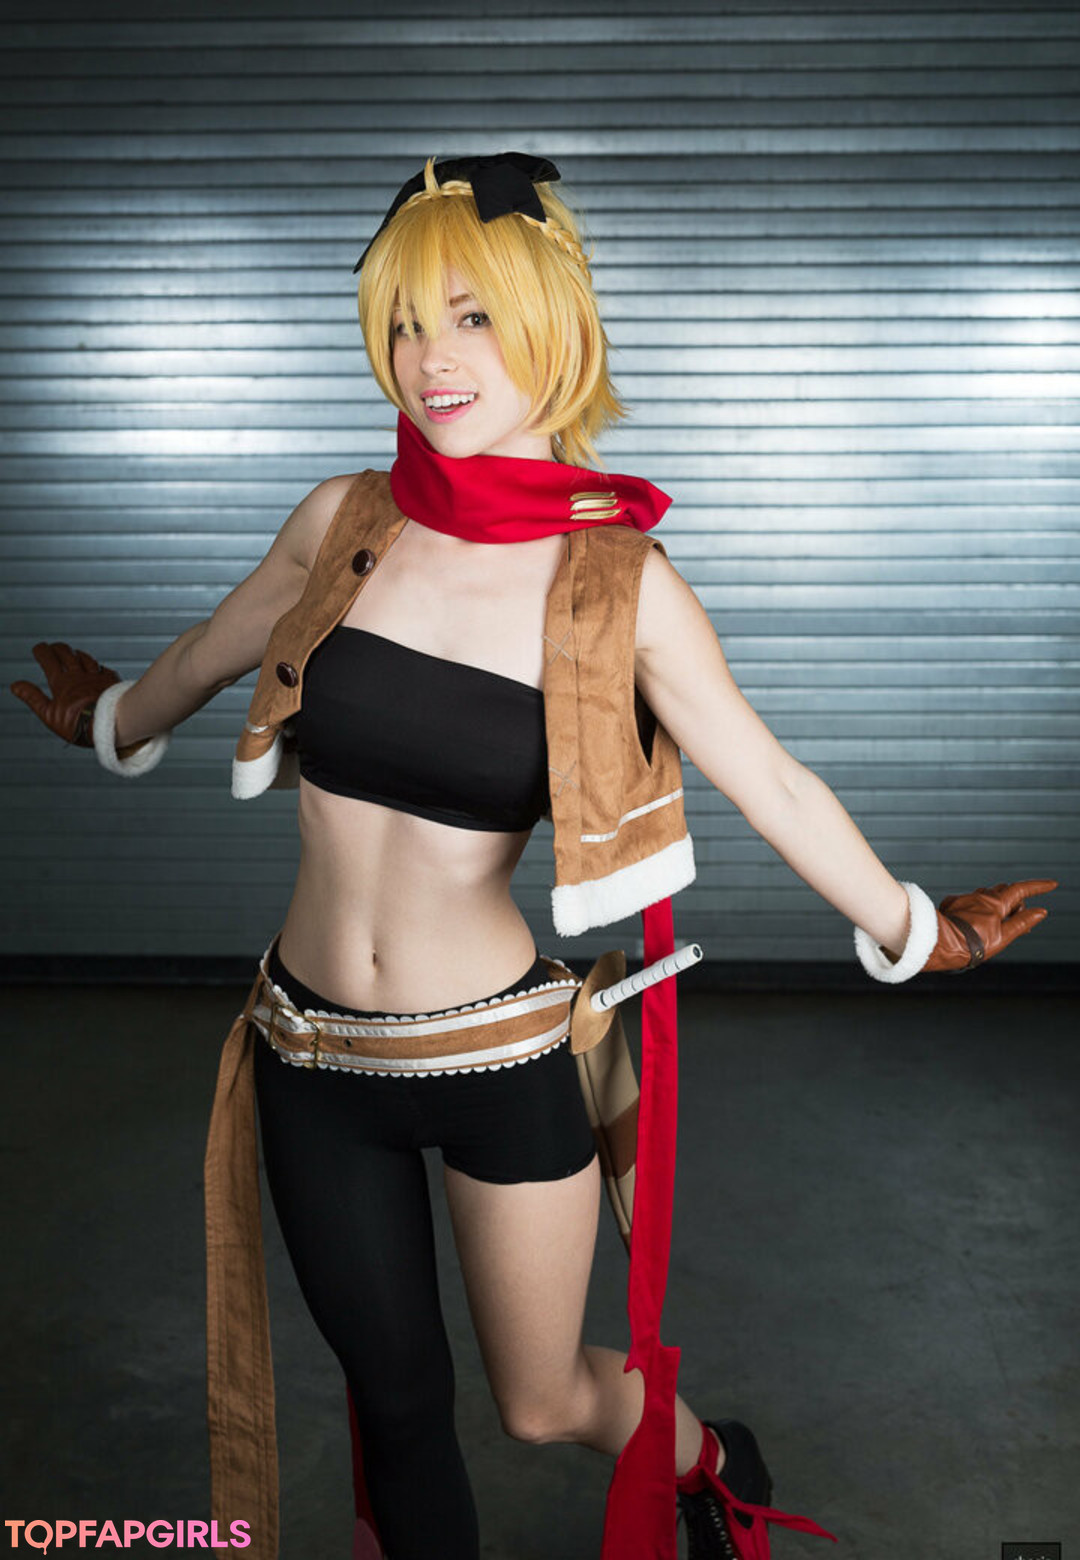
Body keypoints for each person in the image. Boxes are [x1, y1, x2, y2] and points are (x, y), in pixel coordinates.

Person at [10, 152, 1056, 1560]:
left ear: (554, 326)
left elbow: (770, 779)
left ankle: (713, 1462)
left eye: (472, 317)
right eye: (403, 323)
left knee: (543, 1401)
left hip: (498, 1057)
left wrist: (921, 929)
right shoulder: (344, 522)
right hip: (308, 1053)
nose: (429, 360)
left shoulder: (617, 582)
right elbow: (212, 649)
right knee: (394, 1408)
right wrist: (111, 720)